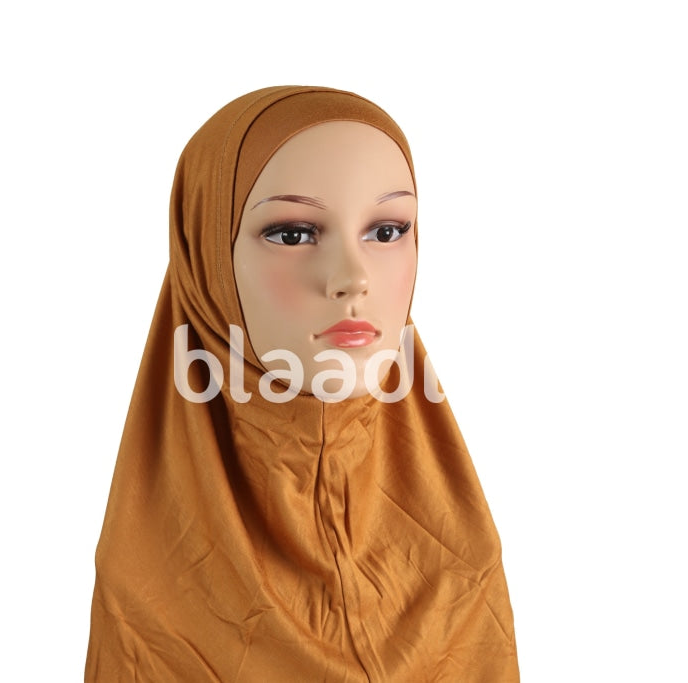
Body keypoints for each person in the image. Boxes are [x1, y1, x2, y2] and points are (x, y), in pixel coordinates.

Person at [85, 86, 519, 681]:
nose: (352, 278)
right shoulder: (148, 586)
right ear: (206, 254)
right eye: (293, 234)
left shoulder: (460, 541)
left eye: (387, 230)